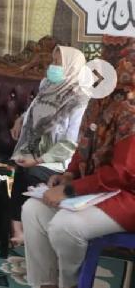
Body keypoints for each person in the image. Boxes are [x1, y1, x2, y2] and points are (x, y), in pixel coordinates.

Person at [21, 41, 135, 288]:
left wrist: (71, 189)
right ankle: (45, 284)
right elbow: (83, 146)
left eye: (114, 59)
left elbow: (122, 173)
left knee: (65, 226)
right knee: (33, 211)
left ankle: (70, 284)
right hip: (94, 190)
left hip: (127, 196)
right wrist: (69, 174)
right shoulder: (98, 100)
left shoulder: (131, 108)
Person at [7, 46, 89, 245]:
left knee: (29, 172)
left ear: (71, 67)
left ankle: (22, 229)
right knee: (12, 168)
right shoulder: (47, 84)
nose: (53, 66)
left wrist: (37, 160)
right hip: (31, 151)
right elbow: (35, 109)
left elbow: (70, 143)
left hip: (57, 160)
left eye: (58, 63)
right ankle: (14, 228)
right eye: (53, 61)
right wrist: (21, 120)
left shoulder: (79, 99)